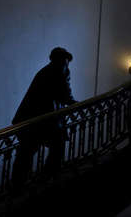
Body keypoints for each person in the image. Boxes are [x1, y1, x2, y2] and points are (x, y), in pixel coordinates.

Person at [11, 47, 77, 189]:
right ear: (60, 60)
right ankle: (44, 179)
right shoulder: (58, 70)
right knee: (54, 146)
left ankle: (18, 185)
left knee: (27, 152)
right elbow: (64, 92)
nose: (67, 65)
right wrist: (74, 103)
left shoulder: (46, 71)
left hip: (35, 118)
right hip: (41, 119)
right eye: (66, 62)